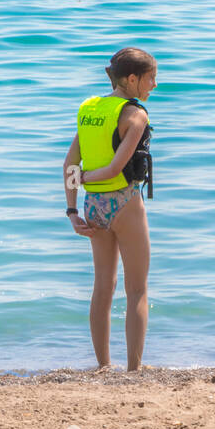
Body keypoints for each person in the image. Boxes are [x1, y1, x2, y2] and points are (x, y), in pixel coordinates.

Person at [63, 47, 157, 371]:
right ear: (132, 79)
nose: (154, 86)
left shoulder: (89, 108)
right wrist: (87, 176)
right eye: (150, 79)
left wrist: (72, 210)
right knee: (137, 290)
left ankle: (103, 367)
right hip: (124, 203)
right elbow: (117, 168)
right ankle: (134, 369)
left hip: (93, 206)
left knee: (103, 287)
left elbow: (69, 163)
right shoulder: (136, 115)